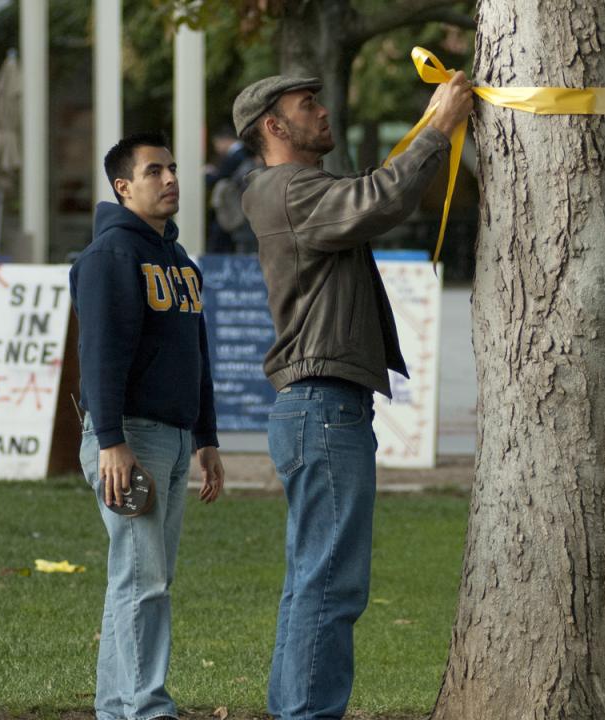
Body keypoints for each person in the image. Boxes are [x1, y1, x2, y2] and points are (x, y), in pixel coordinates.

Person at [232, 72, 471, 718]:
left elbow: (371, 192)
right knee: (331, 585)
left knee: (313, 581)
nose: (321, 109)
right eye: (306, 104)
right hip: (323, 409)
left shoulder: (294, 190)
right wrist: (437, 128)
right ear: (274, 128)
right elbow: (380, 200)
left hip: (322, 410)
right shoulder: (286, 191)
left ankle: (296, 711)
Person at [70, 131, 226, 720]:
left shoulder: (177, 259)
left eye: (173, 168)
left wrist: (206, 437)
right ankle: (146, 709)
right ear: (122, 187)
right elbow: (101, 353)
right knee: (144, 582)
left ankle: (118, 707)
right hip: (129, 438)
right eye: (154, 171)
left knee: (138, 580)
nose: (170, 179)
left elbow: (196, 353)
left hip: (175, 436)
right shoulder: (113, 254)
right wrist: (111, 440)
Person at [204, 124, 258, 254]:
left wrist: (208, 174)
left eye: (216, 143)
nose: (216, 148)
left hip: (236, 210)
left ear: (224, 140)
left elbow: (220, 178)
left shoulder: (236, 156)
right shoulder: (244, 153)